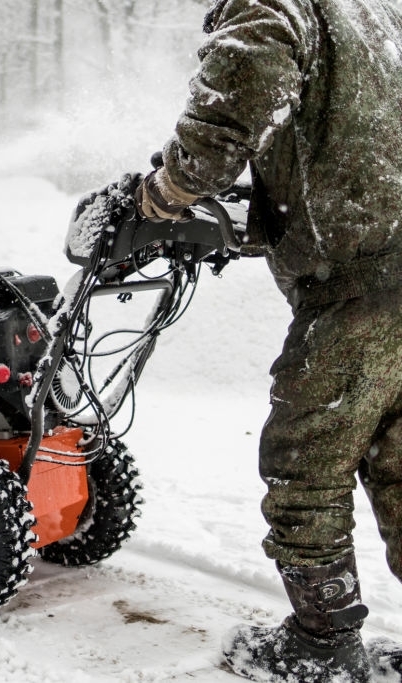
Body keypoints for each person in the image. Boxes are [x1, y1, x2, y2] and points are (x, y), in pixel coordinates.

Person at [135, 0, 402, 681]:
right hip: (390, 274)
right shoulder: (374, 16)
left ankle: (323, 643)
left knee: (303, 462)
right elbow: (348, 156)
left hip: (355, 290)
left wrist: (166, 189)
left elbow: (236, 99)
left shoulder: (271, 4)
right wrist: (253, 225)